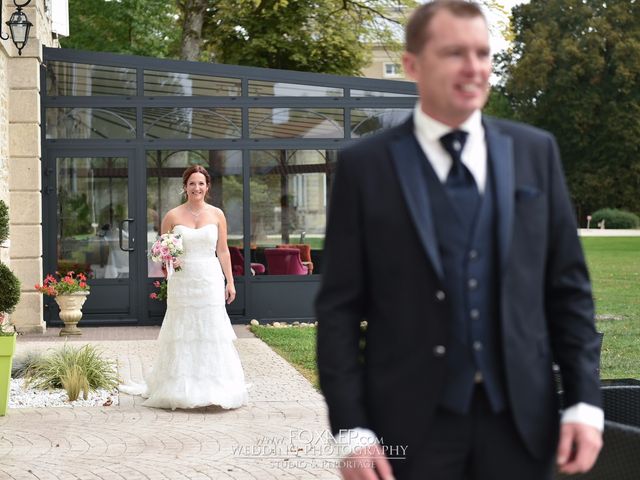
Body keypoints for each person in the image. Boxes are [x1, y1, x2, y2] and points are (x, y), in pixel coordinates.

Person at [315, 2, 603, 479]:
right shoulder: (365, 168)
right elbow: (339, 310)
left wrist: (583, 404)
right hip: (408, 427)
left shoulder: (536, 152)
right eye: (454, 53)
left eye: (483, 53)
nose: (474, 68)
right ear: (412, 65)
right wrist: (352, 429)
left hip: (522, 424)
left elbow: (568, 292)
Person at [121, 165, 248, 410]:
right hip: (183, 280)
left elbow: (223, 250)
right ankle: (178, 387)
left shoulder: (217, 214)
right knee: (183, 330)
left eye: (201, 183)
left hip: (210, 279)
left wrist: (230, 281)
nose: (196, 188)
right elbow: (161, 250)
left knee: (210, 330)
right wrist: (170, 261)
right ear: (185, 186)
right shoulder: (172, 216)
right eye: (192, 183)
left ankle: (215, 386)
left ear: (207, 186)